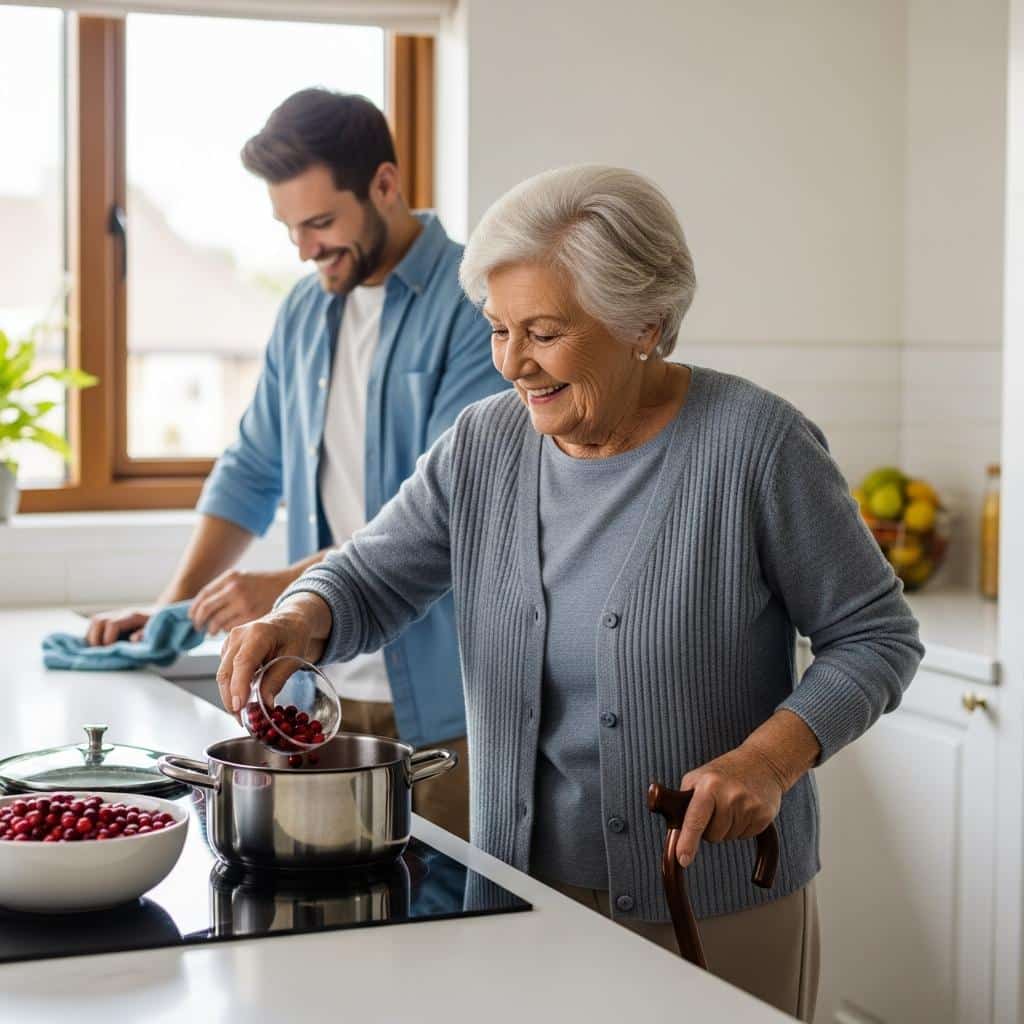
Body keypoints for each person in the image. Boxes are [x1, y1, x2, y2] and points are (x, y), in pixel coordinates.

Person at [215, 165, 924, 1020]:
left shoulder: (756, 447)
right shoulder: (483, 443)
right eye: (498, 330)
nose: (514, 364)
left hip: (710, 905)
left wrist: (767, 763)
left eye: (544, 333)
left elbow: (878, 637)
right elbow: (370, 572)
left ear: (643, 326)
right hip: (518, 900)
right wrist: (299, 618)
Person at [87, 89, 507, 841]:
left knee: (446, 928)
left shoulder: (477, 306)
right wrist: (172, 610)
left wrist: (287, 590)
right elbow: (251, 470)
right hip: (320, 688)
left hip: (451, 706)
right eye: (290, 229)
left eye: (320, 223)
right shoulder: (304, 313)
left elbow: (448, 514)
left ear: (385, 184)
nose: (305, 249)